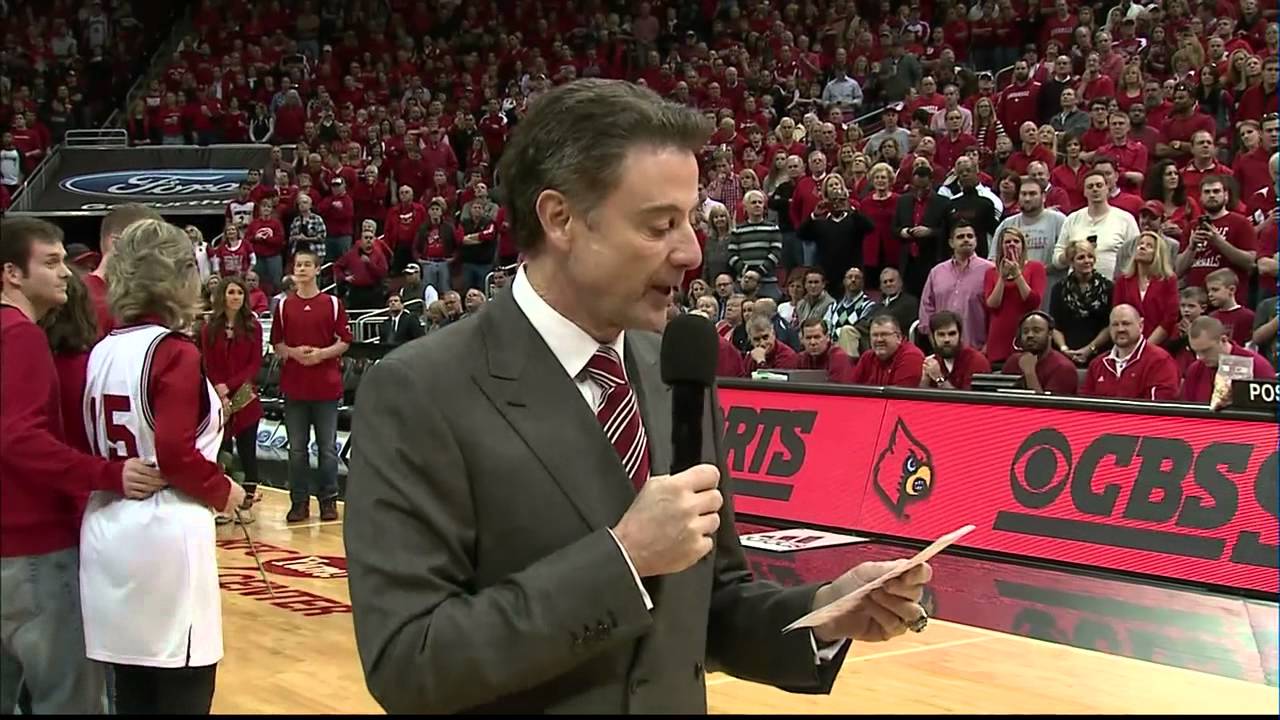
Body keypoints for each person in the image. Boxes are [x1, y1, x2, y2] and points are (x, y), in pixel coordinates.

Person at [344, 79, 932, 715]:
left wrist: (823, 612)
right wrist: (621, 562)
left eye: (691, 219)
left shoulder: (671, 368)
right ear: (561, 219)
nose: (692, 250)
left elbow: (708, 601)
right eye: (661, 225)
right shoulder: (420, 391)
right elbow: (409, 662)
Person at [79, 219, 245, 714]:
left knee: (131, 693)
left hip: (108, 533)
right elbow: (174, 453)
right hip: (165, 537)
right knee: (183, 692)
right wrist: (224, 492)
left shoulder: (102, 350)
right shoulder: (174, 350)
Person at [1, 218, 165, 715]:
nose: (66, 275)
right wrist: (106, 474)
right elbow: (18, 437)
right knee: (71, 700)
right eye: (50, 263)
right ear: (10, 273)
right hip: (35, 547)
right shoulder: (21, 337)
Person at [269, 248, 352, 523]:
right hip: (295, 386)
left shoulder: (332, 303)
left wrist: (320, 354)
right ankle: (299, 502)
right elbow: (278, 345)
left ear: (317, 269)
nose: (301, 269)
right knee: (296, 449)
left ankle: (328, 500)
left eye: (307, 265)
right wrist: (294, 353)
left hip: (326, 387)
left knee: (327, 448)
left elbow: (344, 341)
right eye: (298, 265)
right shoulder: (283, 305)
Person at [198, 276, 264, 524]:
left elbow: (254, 364)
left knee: (247, 451)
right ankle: (224, 503)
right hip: (217, 395)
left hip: (245, 395)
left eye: (240, 293)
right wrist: (219, 388)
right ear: (222, 296)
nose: (235, 297)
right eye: (231, 292)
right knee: (222, 451)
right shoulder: (208, 328)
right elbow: (206, 361)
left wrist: (231, 386)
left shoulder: (253, 327)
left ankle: (247, 501)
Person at [83, 204, 163, 338]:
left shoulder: (139, 300)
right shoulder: (86, 299)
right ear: (116, 243)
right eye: (148, 246)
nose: (157, 257)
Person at [1080, 304, 1179, 401]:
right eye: (1115, 324)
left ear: (1141, 326)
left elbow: (1158, 408)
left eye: (1126, 323)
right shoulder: (1097, 364)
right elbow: (1084, 405)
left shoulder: (1160, 361)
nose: (1120, 329)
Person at [983, 226, 1048, 366]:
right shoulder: (991, 273)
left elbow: (1034, 301)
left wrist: (1017, 274)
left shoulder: (1036, 268)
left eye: (1016, 241)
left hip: (1025, 333)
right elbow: (992, 305)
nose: (1011, 244)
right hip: (999, 336)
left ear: (1023, 246)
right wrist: (1002, 277)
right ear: (1001, 246)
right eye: (1007, 242)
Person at [1180, 316, 1276, 404]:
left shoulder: (1256, 366)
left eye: (1206, 351)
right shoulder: (1195, 370)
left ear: (1223, 340)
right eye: (1196, 352)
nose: (1200, 357)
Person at [1000, 311, 1080, 395]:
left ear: (1050, 334)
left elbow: (1048, 406)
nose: (1030, 335)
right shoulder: (1013, 361)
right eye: (1025, 331)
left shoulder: (1064, 368)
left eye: (1037, 331)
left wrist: (1030, 373)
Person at [919, 311, 990, 390]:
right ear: (932, 338)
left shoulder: (977, 361)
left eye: (952, 334)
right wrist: (924, 380)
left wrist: (939, 379)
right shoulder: (933, 362)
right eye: (941, 334)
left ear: (960, 335)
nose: (947, 339)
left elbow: (968, 400)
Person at [850, 314, 926, 387]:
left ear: (898, 337)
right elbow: (851, 389)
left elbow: (901, 395)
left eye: (884, 334)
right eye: (875, 335)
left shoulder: (911, 356)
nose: (879, 339)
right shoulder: (867, 357)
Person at [781, 318, 854, 382]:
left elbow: (838, 390)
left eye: (817, 337)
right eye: (808, 338)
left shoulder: (839, 358)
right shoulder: (800, 358)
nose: (813, 342)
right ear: (802, 340)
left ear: (827, 337)